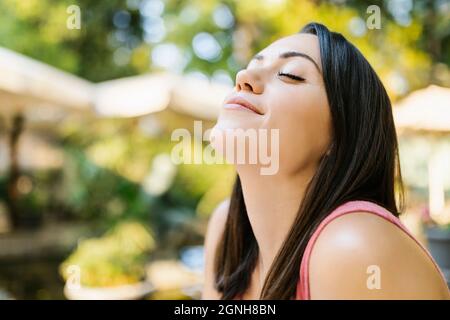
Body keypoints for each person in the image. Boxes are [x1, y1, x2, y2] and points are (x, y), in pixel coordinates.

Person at [202, 22, 450, 300]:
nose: (244, 76)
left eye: (290, 75)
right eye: (251, 64)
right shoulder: (229, 230)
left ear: (341, 135)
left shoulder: (353, 246)